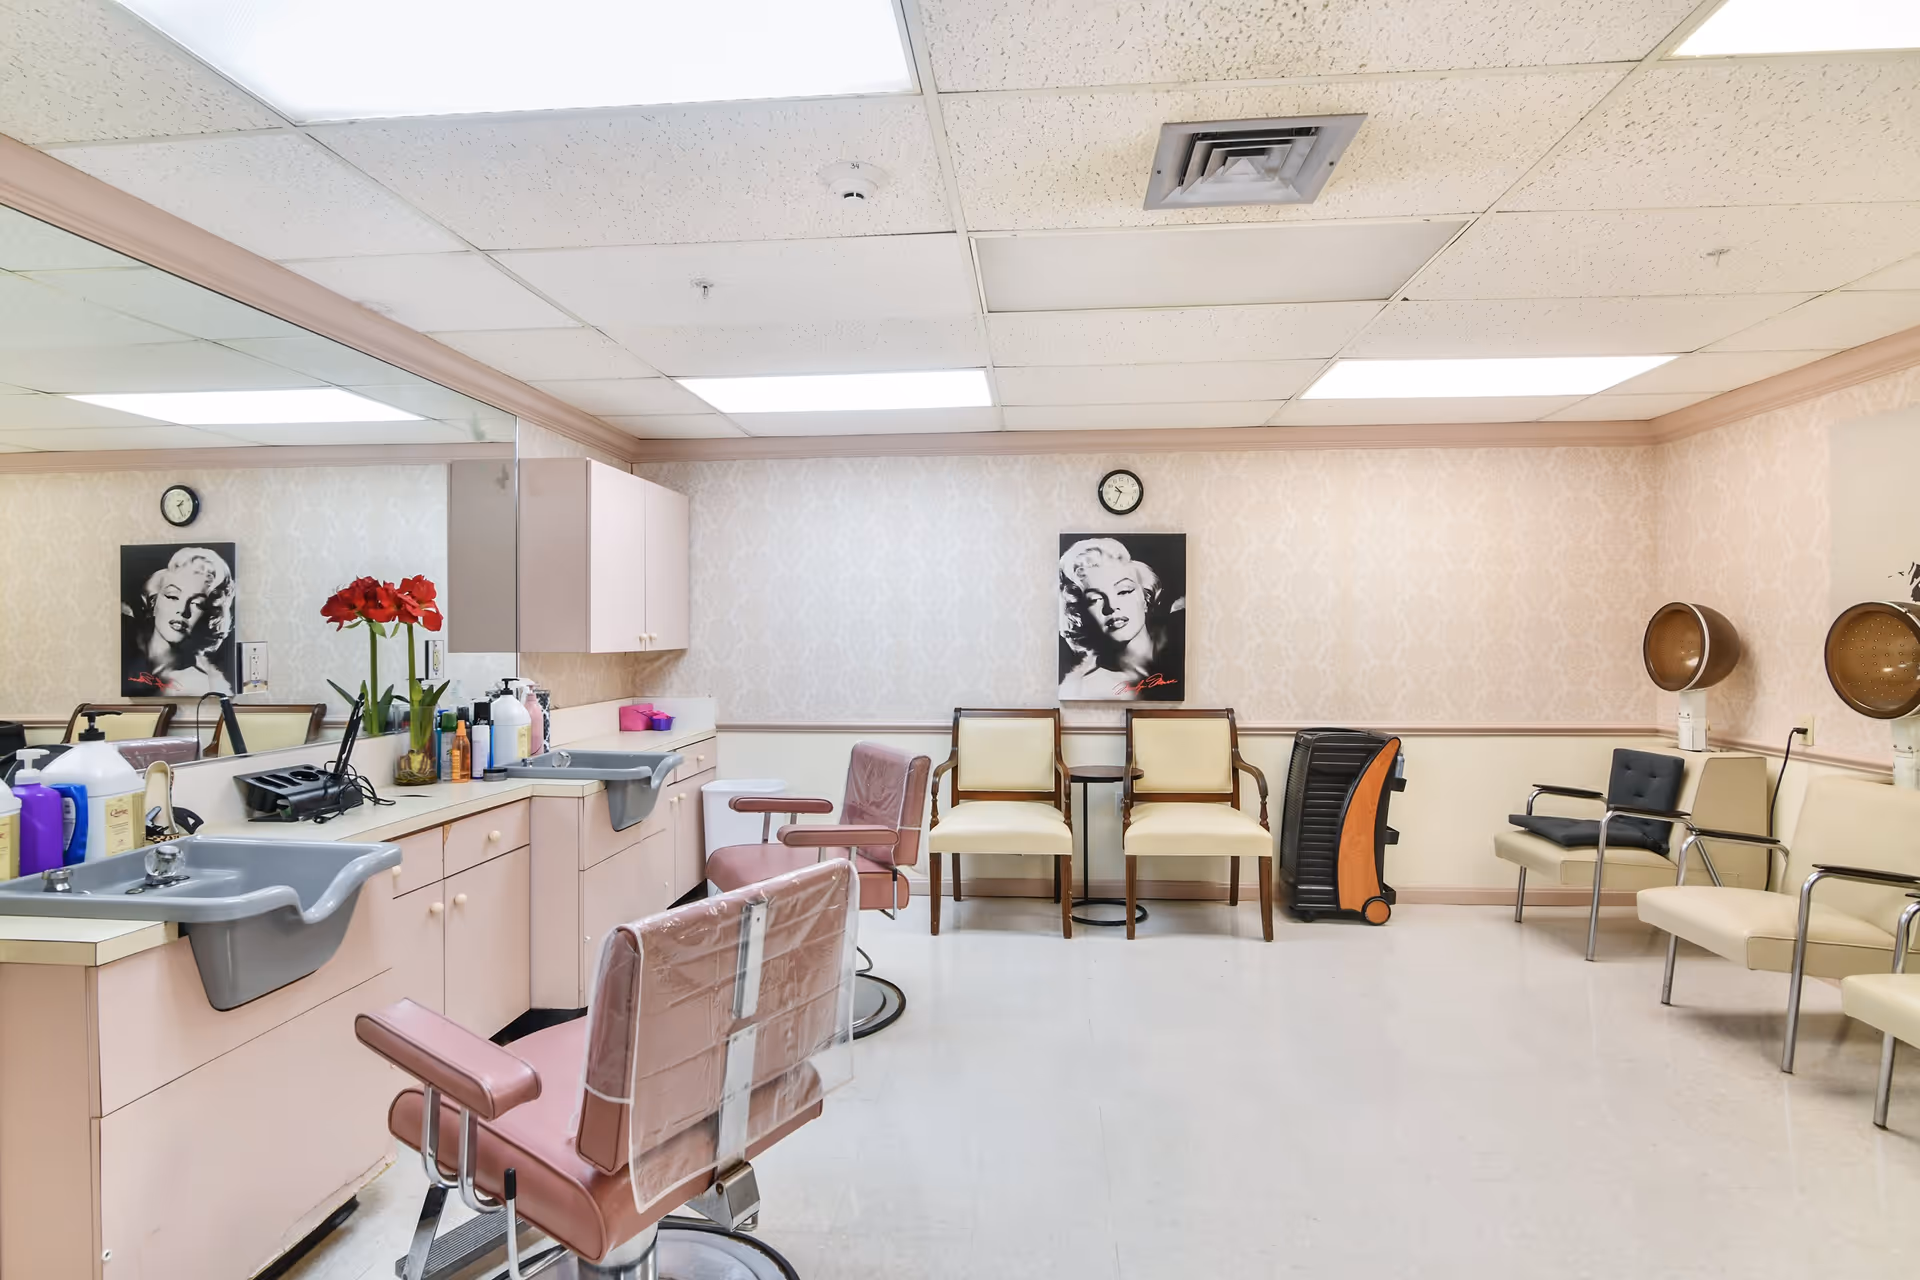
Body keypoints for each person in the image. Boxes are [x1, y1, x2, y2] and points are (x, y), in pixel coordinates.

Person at [1057, 537, 1184, 700]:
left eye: (1124, 591)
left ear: (1145, 599)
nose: (1111, 606)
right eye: (1095, 600)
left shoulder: (1180, 636)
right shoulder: (1082, 691)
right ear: (1081, 616)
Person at [124, 546, 236, 696]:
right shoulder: (125, 639)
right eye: (172, 596)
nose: (183, 610)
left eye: (197, 604)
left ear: (210, 615)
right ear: (154, 601)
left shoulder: (204, 686)